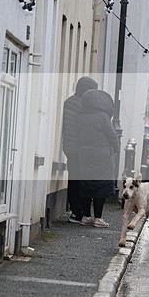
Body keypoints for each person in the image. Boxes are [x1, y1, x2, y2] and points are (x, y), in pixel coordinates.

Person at [77, 89, 118, 228]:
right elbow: (112, 135)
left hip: (85, 155)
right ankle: (98, 218)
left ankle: (86, 216)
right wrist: (116, 148)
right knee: (101, 186)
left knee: (86, 185)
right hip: (102, 156)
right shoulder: (102, 116)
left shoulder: (81, 116)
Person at [62, 76, 98, 223]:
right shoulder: (84, 106)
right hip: (81, 150)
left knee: (74, 180)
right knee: (83, 183)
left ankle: (76, 212)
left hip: (70, 148)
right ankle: (80, 212)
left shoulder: (69, 102)